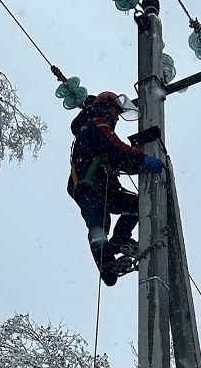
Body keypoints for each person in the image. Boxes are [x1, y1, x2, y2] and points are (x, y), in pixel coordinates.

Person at [67, 91, 165, 285]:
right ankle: (107, 266)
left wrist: (138, 164)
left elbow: (120, 160)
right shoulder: (96, 123)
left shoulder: (95, 125)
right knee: (99, 225)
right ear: (107, 106)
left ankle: (120, 240)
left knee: (138, 205)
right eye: (116, 112)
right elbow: (117, 148)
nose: (117, 117)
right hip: (89, 188)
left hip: (104, 188)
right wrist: (143, 158)